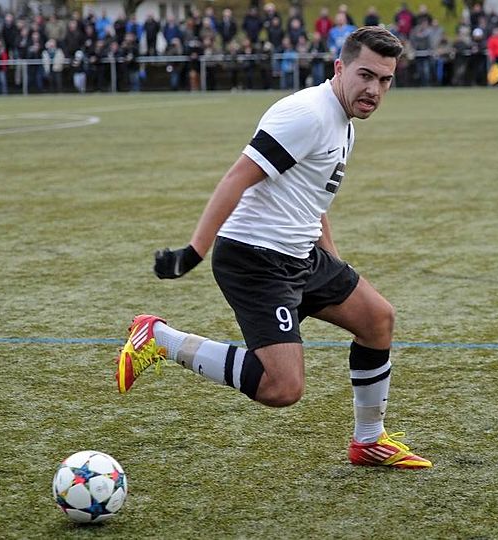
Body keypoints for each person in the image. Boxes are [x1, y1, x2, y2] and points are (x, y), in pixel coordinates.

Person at [115, 26, 431, 469]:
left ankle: (369, 441)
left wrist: (336, 269)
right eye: (365, 75)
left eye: (385, 80)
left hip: (300, 255)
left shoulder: (343, 122)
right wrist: (193, 251)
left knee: (377, 318)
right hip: (255, 258)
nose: (374, 90)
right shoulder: (308, 114)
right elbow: (237, 177)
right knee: (282, 388)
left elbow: (313, 202)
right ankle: (161, 339)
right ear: (339, 68)